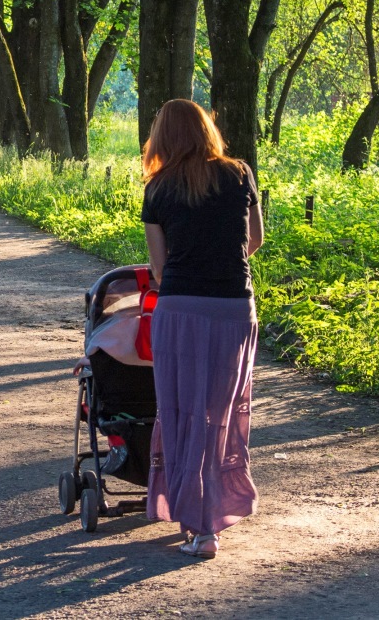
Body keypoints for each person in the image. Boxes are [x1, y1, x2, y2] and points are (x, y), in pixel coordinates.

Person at [141, 99, 264, 559]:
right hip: (234, 308)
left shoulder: (157, 188)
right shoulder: (239, 174)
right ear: (206, 130)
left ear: (162, 138)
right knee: (222, 413)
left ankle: (197, 525)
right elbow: (254, 240)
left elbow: (158, 266)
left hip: (180, 310)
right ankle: (214, 513)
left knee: (181, 412)